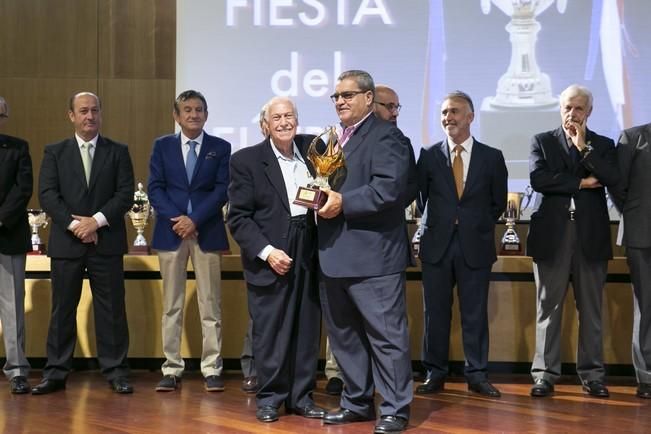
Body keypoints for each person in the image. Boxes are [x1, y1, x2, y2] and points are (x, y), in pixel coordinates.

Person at [317, 70, 412, 434]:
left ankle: (395, 409)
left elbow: (388, 191)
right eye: (336, 96)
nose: (340, 101)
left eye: (348, 95)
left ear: (369, 99)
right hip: (333, 255)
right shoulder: (334, 140)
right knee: (345, 338)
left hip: (374, 258)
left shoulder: (388, 137)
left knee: (386, 338)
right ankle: (357, 403)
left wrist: (342, 202)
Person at [227, 96, 325, 423]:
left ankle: (301, 397)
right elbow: (238, 218)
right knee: (270, 331)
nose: (284, 122)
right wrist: (268, 252)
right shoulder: (247, 160)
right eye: (277, 117)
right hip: (271, 252)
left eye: (289, 116)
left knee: (307, 327)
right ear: (265, 124)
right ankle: (270, 398)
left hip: (309, 248)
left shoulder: (313, 151)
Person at [34, 92, 135, 394]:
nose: (89, 116)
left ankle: (116, 370)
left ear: (101, 114)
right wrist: (78, 225)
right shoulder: (55, 152)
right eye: (83, 111)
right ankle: (56, 372)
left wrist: (97, 221)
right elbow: (48, 194)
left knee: (112, 310)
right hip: (68, 243)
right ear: (71, 116)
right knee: (62, 309)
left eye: (94, 110)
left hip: (107, 241)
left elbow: (125, 193)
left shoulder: (118, 151)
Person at [527, 84, 619, 398]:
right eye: (567, 107)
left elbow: (611, 177)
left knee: (591, 310)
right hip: (552, 236)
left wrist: (583, 149)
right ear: (560, 108)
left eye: (578, 108)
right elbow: (539, 179)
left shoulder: (603, 145)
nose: (572, 113)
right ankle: (544, 375)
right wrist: (581, 182)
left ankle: (592, 375)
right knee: (548, 309)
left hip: (590, 237)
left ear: (589, 112)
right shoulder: (542, 141)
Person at [416, 91, 507, 398]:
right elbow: (420, 199)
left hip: (475, 245)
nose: (447, 117)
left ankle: (477, 374)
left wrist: (472, 223)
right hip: (436, 245)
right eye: (443, 112)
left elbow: (497, 203)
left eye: (454, 111)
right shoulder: (428, 155)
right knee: (435, 313)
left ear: (470, 116)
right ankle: (435, 372)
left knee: (474, 313)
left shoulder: (492, 157)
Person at [148, 90, 231, 392]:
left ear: (206, 115)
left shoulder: (220, 147)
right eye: (187, 110)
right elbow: (156, 189)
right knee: (172, 305)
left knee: (211, 305)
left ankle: (212, 368)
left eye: (199, 110)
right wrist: (179, 220)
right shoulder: (162, 146)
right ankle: (171, 368)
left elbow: (222, 190)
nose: (193, 114)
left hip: (206, 232)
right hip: (171, 234)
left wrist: (194, 220)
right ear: (177, 115)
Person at [609, 122, 651, 399]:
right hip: (642, 233)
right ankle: (647, 376)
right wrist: (636, 214)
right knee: (646, 305)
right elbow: (617, 185)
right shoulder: (634, 137)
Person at [0, 96, 33, 394]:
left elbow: (23, 188)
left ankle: (17, 369)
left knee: (12, 306)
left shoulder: (18, 147)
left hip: (6, 235)